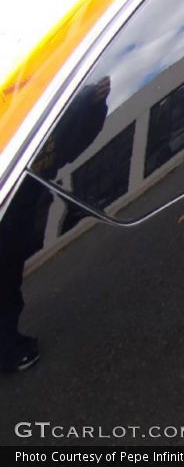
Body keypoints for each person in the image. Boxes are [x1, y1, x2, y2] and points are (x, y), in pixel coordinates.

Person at [0, 77, 110, 372]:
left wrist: (92, 106)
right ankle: (8, 349)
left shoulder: (48, 95)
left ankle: (7, 346)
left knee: (8, 281)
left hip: (23, 206)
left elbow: (69, 148)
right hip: (11, 204)